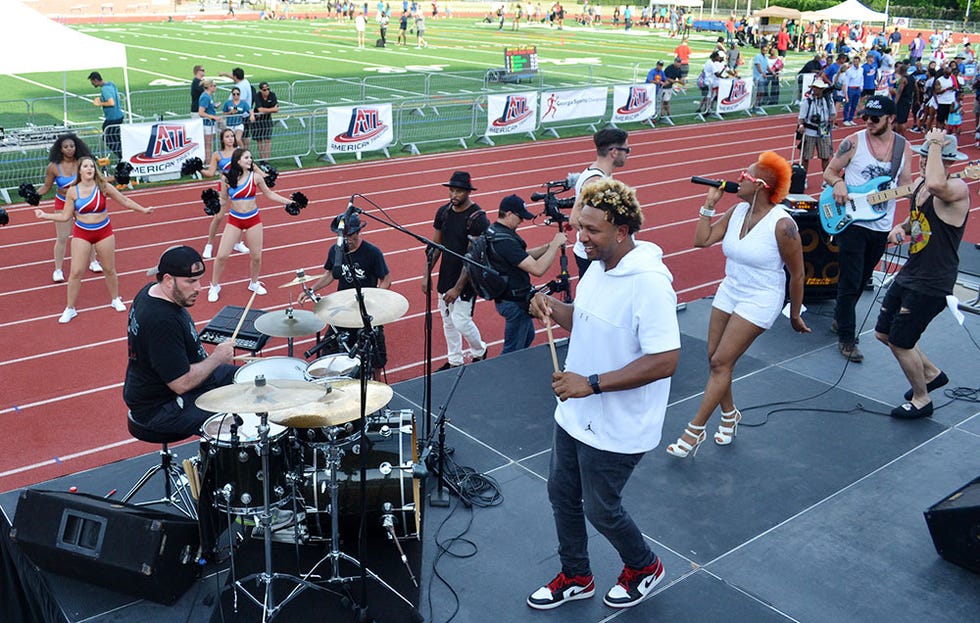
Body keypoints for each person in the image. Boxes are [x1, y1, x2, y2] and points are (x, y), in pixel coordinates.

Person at [526, 178, 680, 611]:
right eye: (580, 228)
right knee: (561, 495)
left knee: (601, 509)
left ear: (622, 229)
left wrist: (589, 383)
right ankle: (576, 575)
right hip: (575, 413)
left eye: (591, 230)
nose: (582, 238)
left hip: (617, 423)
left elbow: (665, 360)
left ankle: (644, 566)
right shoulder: (598, 266)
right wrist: (552, 308)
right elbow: (585, 319)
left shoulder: (648, 282)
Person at [666, 152, 810, 458]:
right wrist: (709, 205)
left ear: (759, 185)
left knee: (721, 363)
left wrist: (794, 313)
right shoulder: (736, 211)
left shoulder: (783, 225)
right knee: (714, 358)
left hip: (761, 296)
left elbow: (797, 273)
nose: (738, 179)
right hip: (731, 288)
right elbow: (701, 240)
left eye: (744, 176)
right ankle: (729, 415)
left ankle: (694, 432)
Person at [876, 130, 968, 419]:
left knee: (901, 342)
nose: (922, 162)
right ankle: (930, 373)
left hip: (932, 282)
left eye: (928, 158)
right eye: (923, 156)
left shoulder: (955, 188)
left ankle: (921, 399)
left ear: (942, 160)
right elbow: (916, 219)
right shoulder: (920, 185)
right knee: (883, 333)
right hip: (910, 273)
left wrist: (938, 144)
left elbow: (938, 184)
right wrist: (901, 229)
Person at [823, 95, 913, 362]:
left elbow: (906, 184)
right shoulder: (853, 142)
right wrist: (837, 184)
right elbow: (829, 172)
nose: (869, 123)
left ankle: (841, 316)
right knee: (851, 280)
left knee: (863, 279)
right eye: (866, 118)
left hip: (881, 226)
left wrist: (925, 189)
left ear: (891, 119)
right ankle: (847, 338)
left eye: (875, 118)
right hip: (852, 222)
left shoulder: (903, 148)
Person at [123, 244, 236, 437]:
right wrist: (217, 358)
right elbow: (181, 383)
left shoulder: (152, 290)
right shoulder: (161, 320)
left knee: (250, 380)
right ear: (168, 280)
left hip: (177, 380)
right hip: (161, 407)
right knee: (238, 420)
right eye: (190, 282)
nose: (199, 288)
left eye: (199, 280)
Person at [34, 155, 153, 323]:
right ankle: (70, 308)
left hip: (104, 232)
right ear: (80, 171)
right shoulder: (72, 191)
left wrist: (144, 210)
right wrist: (44, 215)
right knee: (76, 272)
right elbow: (66, 216)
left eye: (91, 166)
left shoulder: (103, 186)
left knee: (109, 268)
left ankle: (115, 298)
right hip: (82, 233)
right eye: (85, 166)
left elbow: (124, 200)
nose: (89, 169)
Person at [299, 212, 392, 376]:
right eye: (343, 236)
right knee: (328, 354)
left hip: (366, 311)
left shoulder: (372, 253)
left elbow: (386, 279)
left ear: (358, 232)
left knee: (376, 359)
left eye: (350, 235)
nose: (347, 240)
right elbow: (329, 275)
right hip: (343, 310)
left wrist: (374, 300)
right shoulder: (336, 251)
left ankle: (377, 390)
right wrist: (312, 290)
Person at [207, 148, 295, 302]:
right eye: (246, 157)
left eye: (250, 157)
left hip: (253, 219)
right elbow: (223, 200)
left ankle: (254, 283)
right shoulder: (226, 178)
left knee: (256, 257)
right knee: (221, 256)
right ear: (238, 161)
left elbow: (269, 194)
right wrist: (212, 204)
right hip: (235, 220)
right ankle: (214, 286)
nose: (250, 160)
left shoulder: (256, 178)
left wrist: (290, 202)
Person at [422, 171, 489, 369]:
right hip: (445, 275)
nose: (454, 195)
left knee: (460, 321)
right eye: (451, 191)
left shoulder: (478, 219)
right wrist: (426, 274)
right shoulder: (443, 212)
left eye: (459, 191)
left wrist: (458, 288)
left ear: (468, 192)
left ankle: (480, 350)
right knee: (447, 320)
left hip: (466, 281)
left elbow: (472, 259)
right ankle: (454, 360)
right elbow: (436, 246)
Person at [487, 195, 566, 353]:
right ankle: (506, 375)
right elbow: (538, 269)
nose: (522, 222)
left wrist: (548, 246)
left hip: (508, 298)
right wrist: (555, 245)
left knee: (527, 336)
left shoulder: (496, 231)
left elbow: (521, 256)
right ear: (509, 214)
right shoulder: (505, 241)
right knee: (512, 351)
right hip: (514, 302)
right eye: (520, 217)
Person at [35, 134, 99, 283]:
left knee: (89, 233)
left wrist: (118, 177)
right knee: (62, 237)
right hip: (63, 202)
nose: (69, 149)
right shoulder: (53, 167)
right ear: (60, 149)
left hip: (81, 201)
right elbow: (46, 187)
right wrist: (33, 194)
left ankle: (93, 261)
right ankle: (58, 270)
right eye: (66, 147)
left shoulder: (83, 163)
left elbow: (97, 180)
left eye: (72, 146)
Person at [570, 128, 630, 278]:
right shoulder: (597, 181)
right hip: (594, 256)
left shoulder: (597, 174)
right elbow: (575, 219)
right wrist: (602, 242)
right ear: (615, 152)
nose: (628, 154)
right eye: (627, 150)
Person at [201, 128, 249, 259]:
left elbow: (248, 167)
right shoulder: (217, 154)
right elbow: (210, 173)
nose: (230, 139)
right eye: (227, 136)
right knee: (219, 216)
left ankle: (238, 243)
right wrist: (198, 168)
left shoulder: (239, 152)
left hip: (239, 185)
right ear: (222, 139)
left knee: (241, 213)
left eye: (232, 136)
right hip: (223, 186)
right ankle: (209, 244)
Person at [797, 77, 835, 172]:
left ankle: (826, 179)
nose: (815, 89)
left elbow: (833, 114)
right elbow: (801, 117)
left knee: (825, 156)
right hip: (810, 132)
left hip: (824, 131)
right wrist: (801, 126)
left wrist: (832, 119)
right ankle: (803, 178)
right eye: (814, 87)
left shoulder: (828, 101)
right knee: (805, 156)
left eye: (817, 88)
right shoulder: (807, 101)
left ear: (822, 89)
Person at [87, 71, 123, 159]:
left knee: (108, 139)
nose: (92, 84)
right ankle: (123, 156)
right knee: (117, 139)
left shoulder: (104, 89)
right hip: (119, 116)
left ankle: (122, 157)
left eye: (92, 82)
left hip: (112, 118)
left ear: (95, 80)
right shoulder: (111, 84)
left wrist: (100, 103)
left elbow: (111, 102)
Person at [218, 68, 253, 147]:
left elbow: (239, 104)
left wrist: (232, 111)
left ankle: (244, 153)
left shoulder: (241, 88)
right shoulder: (245, 81)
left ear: (235, 77)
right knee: (241, 137)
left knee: (240, 138)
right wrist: (224, 73)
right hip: (241, 116)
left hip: (240, 116)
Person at [252, 82, 279, 162]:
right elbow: (260, 109)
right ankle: (262, 159)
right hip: (258, 120)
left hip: (267, 119)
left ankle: (266, 160)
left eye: (268, 89)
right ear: (260, 90)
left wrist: (266, 110)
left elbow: (276, 109)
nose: (267, 91)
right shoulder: (257, 96)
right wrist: (271, 110)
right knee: (259, 140)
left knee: (267, 140)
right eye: (264, 90)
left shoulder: (272, 95)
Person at [197, 79, 220, 161]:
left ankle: (209, 162)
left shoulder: (208, 96)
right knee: (208, 145)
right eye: (214, 85)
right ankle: (208, 163)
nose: (215, 87)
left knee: (210, 144)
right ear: (209, 87)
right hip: (207, 124)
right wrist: (213, 117)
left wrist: (214, 106)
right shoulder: (205, 97)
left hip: (210, 124)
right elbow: (201, 112)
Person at [661, 57, 684, 122]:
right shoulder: (669, 68)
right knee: (665, 101)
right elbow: (667, 78)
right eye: (678, 62)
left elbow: (680, 78)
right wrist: (676, 81)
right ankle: (664, 115)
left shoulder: (679, 69)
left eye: (680, 63)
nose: (679, 64)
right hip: (664, 86)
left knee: (666, 101)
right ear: (675, 62)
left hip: (669, 87)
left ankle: (667, 115)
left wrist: (681, 81)